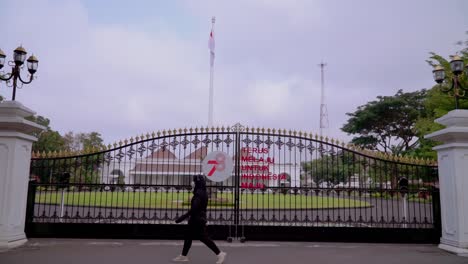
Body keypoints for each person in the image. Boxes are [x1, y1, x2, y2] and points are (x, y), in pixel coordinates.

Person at [173, 175, 227, 263]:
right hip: (199, 218)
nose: (192, 183)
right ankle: (183, 256)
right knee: (189, 237)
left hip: (197, 219)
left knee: (203, 237)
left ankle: (220, 254)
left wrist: (181, 218)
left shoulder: (198, 194)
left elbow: (194, 209)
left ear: (197, 182)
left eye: (193, 181)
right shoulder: (203, 192)